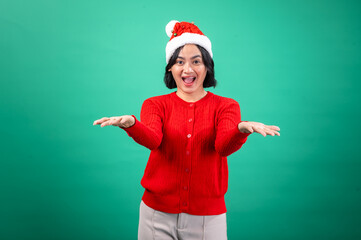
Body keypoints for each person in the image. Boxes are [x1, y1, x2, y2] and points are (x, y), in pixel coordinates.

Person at [93, 20, 280, 240]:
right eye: (180, 62)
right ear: (170, 67)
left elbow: (222, 147)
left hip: (208, 219)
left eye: (196, 61)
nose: (188, 69)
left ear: (207, 67)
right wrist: (131, 124)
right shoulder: (154, 104)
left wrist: (241, 130)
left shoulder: (227, 106)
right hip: (155, 215)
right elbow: (153, 140)